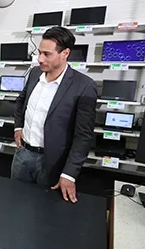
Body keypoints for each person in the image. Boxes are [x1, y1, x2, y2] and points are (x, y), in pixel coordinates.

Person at [11, 26, 97, 203]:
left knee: (45, 210)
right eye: (39, 53)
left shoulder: (84, 86)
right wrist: (18, 127)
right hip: (23, 154)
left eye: (47, 54)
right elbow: (21, 101)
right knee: (16, 203)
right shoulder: (35, 74)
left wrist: (69, 174)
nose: (40, 59)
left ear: (65, 53)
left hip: (52, 162)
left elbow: (83, 136)